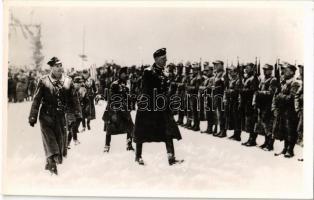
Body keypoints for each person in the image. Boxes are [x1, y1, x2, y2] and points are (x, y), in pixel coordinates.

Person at [28, 57, 81, 175]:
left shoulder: (68, 81)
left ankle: (50, 163)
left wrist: (77, 113)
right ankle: (52, 167)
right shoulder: (43, 81)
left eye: (60, 65)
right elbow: (36, 100)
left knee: (60, 144)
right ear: (51, 67)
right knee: (50, 142)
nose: (59, 68)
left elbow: (74, 99)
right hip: (46, 117)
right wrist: (33, 116)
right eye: (56, 66)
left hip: (61, 117)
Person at [132, 48, 183, 166]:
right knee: (142, 131)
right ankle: (138, 156)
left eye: (166, 58)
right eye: (163, 59)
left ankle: (171, 158)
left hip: (162, 107)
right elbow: (145, 89)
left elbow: (165, 90)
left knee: (168, 130)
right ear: (156, 59)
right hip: (148, 107)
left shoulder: (164, 73)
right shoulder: (148, 71)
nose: (166, 60)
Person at [102, 67, 135, 152]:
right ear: (120, 74)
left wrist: (130, 106)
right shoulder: (115, 84)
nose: (126, 75)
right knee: (110, 128)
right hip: (115, 110)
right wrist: (112, 112)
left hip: (124, 110)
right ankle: (107, 145)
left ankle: (129, 145)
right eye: (124, 73)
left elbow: (128, 97)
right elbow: (111, 98)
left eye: (127, 73)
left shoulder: (127, 85)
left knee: (130, 126)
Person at [273, 62, 300, 158]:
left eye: (286, 70)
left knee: (290, 130)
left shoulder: (295, 82)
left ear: (292, 72)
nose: (283, 71)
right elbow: (277, 96)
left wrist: (280, 96)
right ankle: (285, 148)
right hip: (283, 110)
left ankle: (290, 150)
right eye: (283, 69)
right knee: (284, 128)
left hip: (290, 111)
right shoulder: (284, 82)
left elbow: (291, 98)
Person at [253, 64, 278, 150]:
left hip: (269, 105)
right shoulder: (263, 79)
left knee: (269, 125)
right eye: (264, 69)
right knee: (264, 124)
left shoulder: (273, 80)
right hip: (262, 104)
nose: (264, 71)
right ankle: (266, 142)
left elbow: (271, 93)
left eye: (266, 69)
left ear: (271, 70)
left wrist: (260, 93)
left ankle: (270, 145)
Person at [240, 63, 260, 146]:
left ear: (252, 69)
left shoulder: (254, 78)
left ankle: (252, 139)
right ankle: (250, 138)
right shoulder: (247, 78)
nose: (246, 69)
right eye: (245, 68)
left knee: (252, 121)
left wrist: (243, 91)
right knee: (248, 121)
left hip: (251, 103)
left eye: (248, 68)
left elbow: (253, 91)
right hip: (246, 102)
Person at [67, 76, 83, 148]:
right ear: (74, 83)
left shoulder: (77, 91)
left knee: (75, 124)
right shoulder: (71, 90)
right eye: (78, 83)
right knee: (73, 124)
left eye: (80, 83)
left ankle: (67, 144)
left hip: (76, 110)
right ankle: (75, 139)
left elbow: (78, 101)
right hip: (70, 110)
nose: (79, 85)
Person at [212, 60, 227, 138]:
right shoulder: (216, 74)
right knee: (218, 114)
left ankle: (223, 131)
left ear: (221, 65)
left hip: (221, 96)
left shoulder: (224, 74)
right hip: (216, 96)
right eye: (214, 65)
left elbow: (225, 86)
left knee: (222, 114)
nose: (215, 66)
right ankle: (220, 130)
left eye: (217, 65)